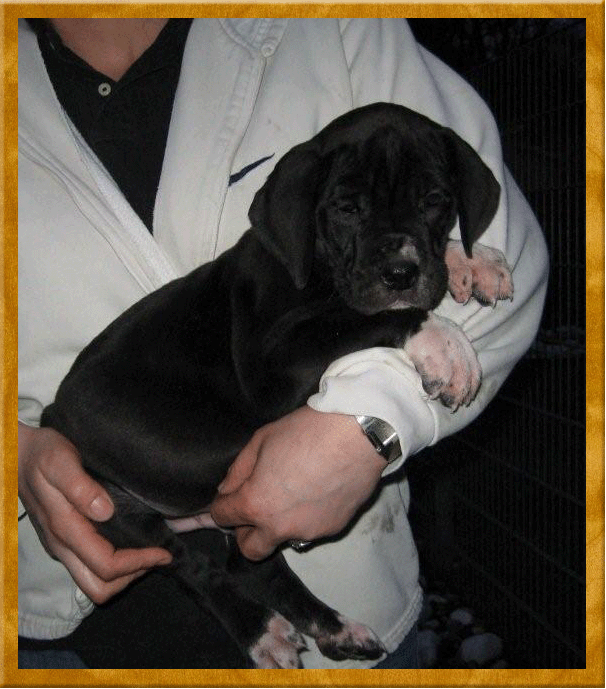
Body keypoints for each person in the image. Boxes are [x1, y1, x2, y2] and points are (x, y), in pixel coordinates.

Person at [18, 18, 549, 669]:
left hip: (336, 600)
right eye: (349, 209)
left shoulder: (331, 24)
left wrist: (371, 420)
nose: (402, 254)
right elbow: (284, 367)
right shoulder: (278, 274)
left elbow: (509, 268)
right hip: (66, 613)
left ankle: (290, 615)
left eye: (432, 204)